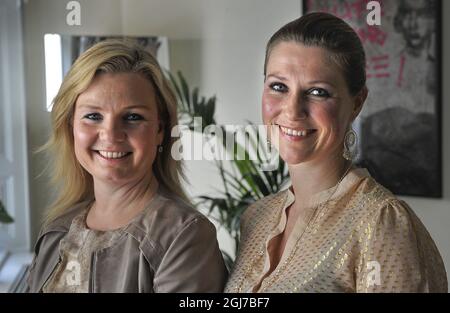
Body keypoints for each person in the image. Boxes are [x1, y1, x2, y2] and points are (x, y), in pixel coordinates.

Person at [225, 12, 447, 293]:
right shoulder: (256, 217)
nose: (292, 111)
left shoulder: (381, 223)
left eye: (318, 92)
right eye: (278, 87)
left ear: (357, 103)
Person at [26, 40, 227, 292]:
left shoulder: (185, 237)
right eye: (93, 116)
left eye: (133, 117)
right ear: (70, 127)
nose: (110, 135)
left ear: (159, 131)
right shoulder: (57, 229)